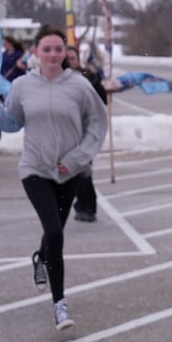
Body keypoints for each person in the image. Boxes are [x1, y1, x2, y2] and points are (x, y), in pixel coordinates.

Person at [0, 26, 109, 330]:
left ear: (65, 53)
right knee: (54, 231)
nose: (53, 54)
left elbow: (97, 124)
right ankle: (59, 304)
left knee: (54, 231)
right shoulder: (22, 85)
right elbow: (14, 122)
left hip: (70, 171)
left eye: (58, 49)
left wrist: (76, 159)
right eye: (47, 49)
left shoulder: (79, 85)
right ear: (36, 52)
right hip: (35, 169)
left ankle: (41, 258)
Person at [68, 37, 110, 224]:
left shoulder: (87, 76)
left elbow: (101, 100)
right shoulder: (57, 79)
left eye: (72, 57)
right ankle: (82, 203)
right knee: (73, 171)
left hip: (85, 131)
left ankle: (88, 205)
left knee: (82, 169)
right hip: (64, 132)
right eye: (66, 58)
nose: (70, 61)